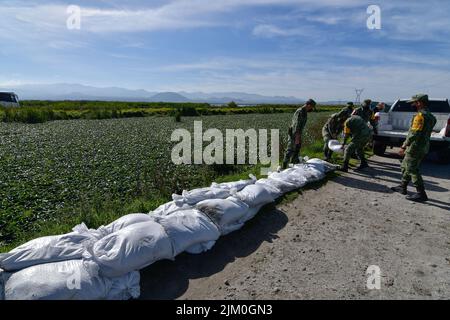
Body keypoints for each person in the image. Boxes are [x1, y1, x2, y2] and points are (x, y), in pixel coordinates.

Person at [391, 94, 437, 202]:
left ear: (419, 103)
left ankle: (421, 194)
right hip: (423, 146)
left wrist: (403, 146)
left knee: (412, 169)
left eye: (414, 102)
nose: (412, 104)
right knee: (406, 166)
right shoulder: (431, 116)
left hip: (415, 147)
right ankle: (403, 186)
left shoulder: (420, 116)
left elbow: (414, 134)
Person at [282, 99, 316, 169]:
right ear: (309, 105)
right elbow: (296, 125)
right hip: (294, 133)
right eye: (312, 107)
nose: (312, 109)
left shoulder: (304, 112)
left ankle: (293, 163)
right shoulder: (300, 111)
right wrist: (297, 137)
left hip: (298, 133)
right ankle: (284, 166)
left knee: (297, 148)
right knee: (290, 149)